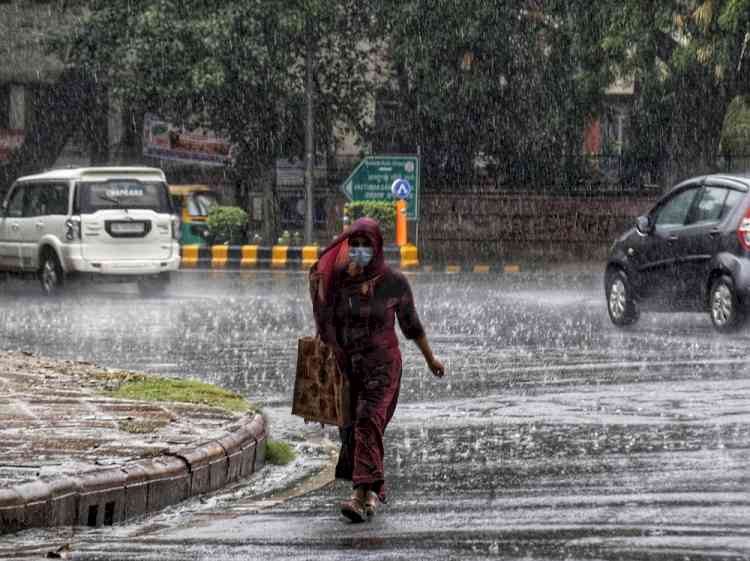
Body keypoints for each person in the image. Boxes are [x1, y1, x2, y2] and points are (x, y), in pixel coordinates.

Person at [309, 217, 445, 523]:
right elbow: (325, 317)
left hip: (383, 367)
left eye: (365, 245)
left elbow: (411, 325)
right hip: (348, 367)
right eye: (353, 245)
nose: (358, 250)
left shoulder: (393, 282)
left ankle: (358, 496)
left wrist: (430, 358)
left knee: (368, 422)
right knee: (351, 430)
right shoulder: (339, 281)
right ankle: (372, 490)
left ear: (377, 247)